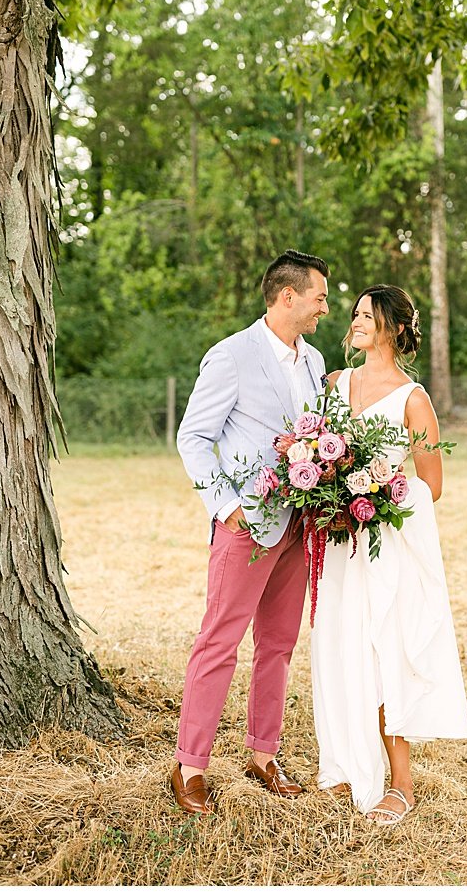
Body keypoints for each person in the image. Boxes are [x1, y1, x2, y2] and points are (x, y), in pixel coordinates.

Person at [173, 250, 330, 814]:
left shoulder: (314, 362)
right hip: (248, 524)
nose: (325, 307)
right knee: (219, 643)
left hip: (299, 525)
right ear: (287, 295)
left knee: (279, 646)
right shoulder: (232, 355)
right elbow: (193, 437)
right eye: (319, 296)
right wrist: (227, 505)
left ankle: (264, 754)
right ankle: (190, 765)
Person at [315, 284, 467, 825]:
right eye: (354, 314)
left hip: (384, 545)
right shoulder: (333, 385)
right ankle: (342, 767)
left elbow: (432, 482)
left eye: (366, 316)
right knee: (338, 647)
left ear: (396, 329)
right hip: (338, 544)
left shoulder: (413, 399)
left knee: (385, 652)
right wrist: (324, 488)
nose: (355, 322)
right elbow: (313, 451)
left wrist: (380, 492)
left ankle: (400, 783)